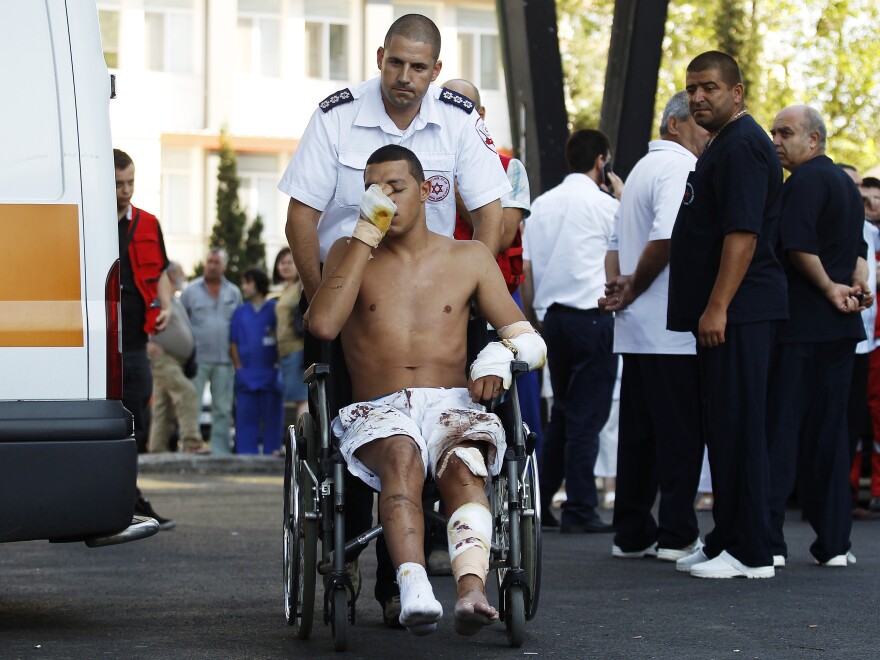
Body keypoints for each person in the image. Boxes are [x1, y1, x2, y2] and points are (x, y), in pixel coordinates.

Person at [277, 13, 511, 624]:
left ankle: (400, 582)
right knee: (361, 442)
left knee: (449, 442)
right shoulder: (336, 115)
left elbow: (492, 211)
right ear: (379, 56)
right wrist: (324, 293)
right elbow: (301, 217)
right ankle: (349, 560)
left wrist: (475, 284)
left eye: (417, 67)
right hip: (352, 294)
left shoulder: (459, 120)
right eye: (393, 63)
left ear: (436, 69)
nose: (403, 77)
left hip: (436, 299)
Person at [307, 144, 546, 637]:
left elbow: (526, 338)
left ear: (426, 190)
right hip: (377, 408)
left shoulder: (469, 256)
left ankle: (471, 591)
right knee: (402, 457)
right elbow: (324, 326)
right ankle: (414, 589)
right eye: (373, 189)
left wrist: (497, 359)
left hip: (451, 403)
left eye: (396, 187)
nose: (385, 198)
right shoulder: (346, 254)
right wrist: (361, 240)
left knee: (464, 466)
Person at [668, 51, 787, 579]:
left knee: (739, 428)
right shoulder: (726, 144)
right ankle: (726, 538)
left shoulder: (742, 147)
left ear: (736, 93)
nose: (698, 97)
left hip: (740, 311)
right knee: (725, 426)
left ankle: (752, 552)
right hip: (727, 313)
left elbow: (743, 235)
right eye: (692, 88)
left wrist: (717, 306)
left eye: (710, 88)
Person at [600, 91, 708, 561]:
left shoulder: (642, 168)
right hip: (667, 324)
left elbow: (612, 247)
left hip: (638, 324)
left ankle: (632, 532)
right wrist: (634, 290)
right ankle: (677, 533)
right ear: (675, 125)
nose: (708, 134)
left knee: (640, 435)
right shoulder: (679, 167)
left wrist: (618, 289)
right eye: (701, 125)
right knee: (680, 434)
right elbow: (666, 238)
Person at [765, 105, 870, 567]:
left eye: (785, 133)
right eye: (773, 133)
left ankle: (769, 541)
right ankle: (835, 544)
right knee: (832, 434)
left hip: (802, 326)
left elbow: (797, 245)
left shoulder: (802, 183)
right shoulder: (847, 185)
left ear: (814, 140)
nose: (775, 141)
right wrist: (859, 286)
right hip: (841, 330)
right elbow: (861, 248)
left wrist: (831, 289)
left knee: (782, 432)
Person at [521, 129, 622, 534]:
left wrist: (532, 320)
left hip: (553, 320)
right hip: (593, 317)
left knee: (561, 412)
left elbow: (527, 272)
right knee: (587, 415)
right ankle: (581, 506)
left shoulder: (541, 205)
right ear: (602, 161)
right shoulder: (604, 205)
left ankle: (543, 502)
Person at [114, 148, 176, 529]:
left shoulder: (149, 224)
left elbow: (161, 274)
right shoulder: (87, 220)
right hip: (97, 345)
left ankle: (130, 495)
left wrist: (165, 306)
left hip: (136, 343)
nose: (125, 190)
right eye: (118, 184)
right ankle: (110, 495)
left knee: (135, 421)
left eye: (130, 183)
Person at [181, 248, 242, 455]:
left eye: (217, 262)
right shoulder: (191, 290)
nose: (212, 266)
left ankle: (221, 452)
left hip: (225, 360)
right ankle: (190, 447)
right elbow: (181, 322)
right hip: (196, 359)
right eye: (210, 261)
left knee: (223, 409)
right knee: (192, 406)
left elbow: (239, 325)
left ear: (224, 266)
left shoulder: (233, 292)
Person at [147, 261, 207, 454]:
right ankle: (192, 442)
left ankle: (156, 450)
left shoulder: (173, 299)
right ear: (171, 275)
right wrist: (146, 344)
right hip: (163, 358)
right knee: (187, 392)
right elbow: (143, 320)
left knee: (162, 407)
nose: (183, 276)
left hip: (175, 361)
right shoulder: (158, 298)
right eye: (181, 272)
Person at [230, 267, 283, 456]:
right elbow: (233, 342)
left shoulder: (274, 309)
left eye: (247, 282)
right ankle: (245, 451)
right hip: (247, 373)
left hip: (269, 371)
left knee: (272, 413)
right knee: (245, 414)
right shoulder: (240, 312)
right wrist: (239, 367)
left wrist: (277, 364)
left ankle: (272, 449)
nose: (243, 287)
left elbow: (280, 338)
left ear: (258, 284)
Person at [272, 248, 308, 436]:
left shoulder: (301, 285)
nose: (285, 266)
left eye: (289, 262)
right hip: (286, 352)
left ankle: (304, 446)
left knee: (302, 399)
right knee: (297, 400)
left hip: (298, 349)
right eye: (282, 262)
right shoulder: (286, 289)